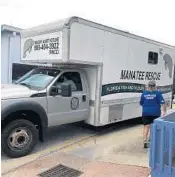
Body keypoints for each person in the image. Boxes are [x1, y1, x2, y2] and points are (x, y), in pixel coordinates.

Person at [140, 80, 166, 148]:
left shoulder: (144, 93)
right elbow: (163, 103)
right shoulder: (157, 93)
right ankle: (151, 139)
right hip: (155, 113)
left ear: (148, 86)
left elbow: (141, 103)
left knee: (146, 126)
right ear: (155, 86)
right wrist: (164, 111)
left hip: (146, 112)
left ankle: (145, 140)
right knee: (153, 127)